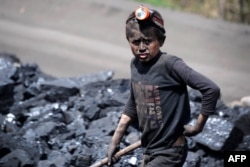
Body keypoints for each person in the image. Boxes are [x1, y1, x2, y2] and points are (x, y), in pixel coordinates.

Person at [107, 5, 220, 167]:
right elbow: (132, 104)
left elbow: (211, 89)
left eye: (148, 41)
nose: (141, 48)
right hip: (149, 150)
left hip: (171, 151)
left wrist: (197, 127)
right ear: (128, 41)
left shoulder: (170, 64)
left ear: (161, 41)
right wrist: (114, 143)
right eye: (135, 42)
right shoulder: (135, 65)